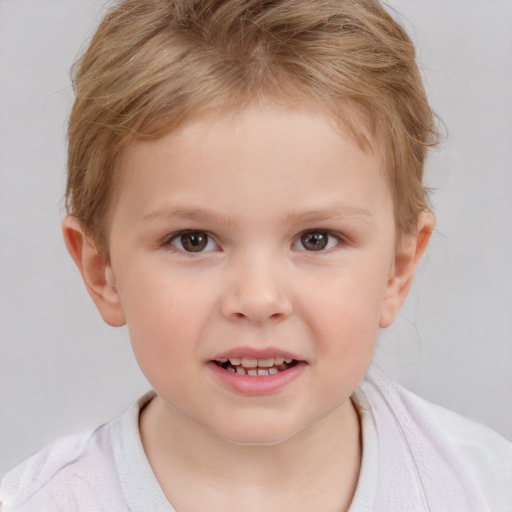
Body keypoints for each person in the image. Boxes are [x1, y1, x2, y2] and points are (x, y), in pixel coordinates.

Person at [1, 0, 511, 510]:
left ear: (398, 270)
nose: (258, 299)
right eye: (193, 240)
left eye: (316, 239)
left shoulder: (485, 490)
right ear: (101, 271)